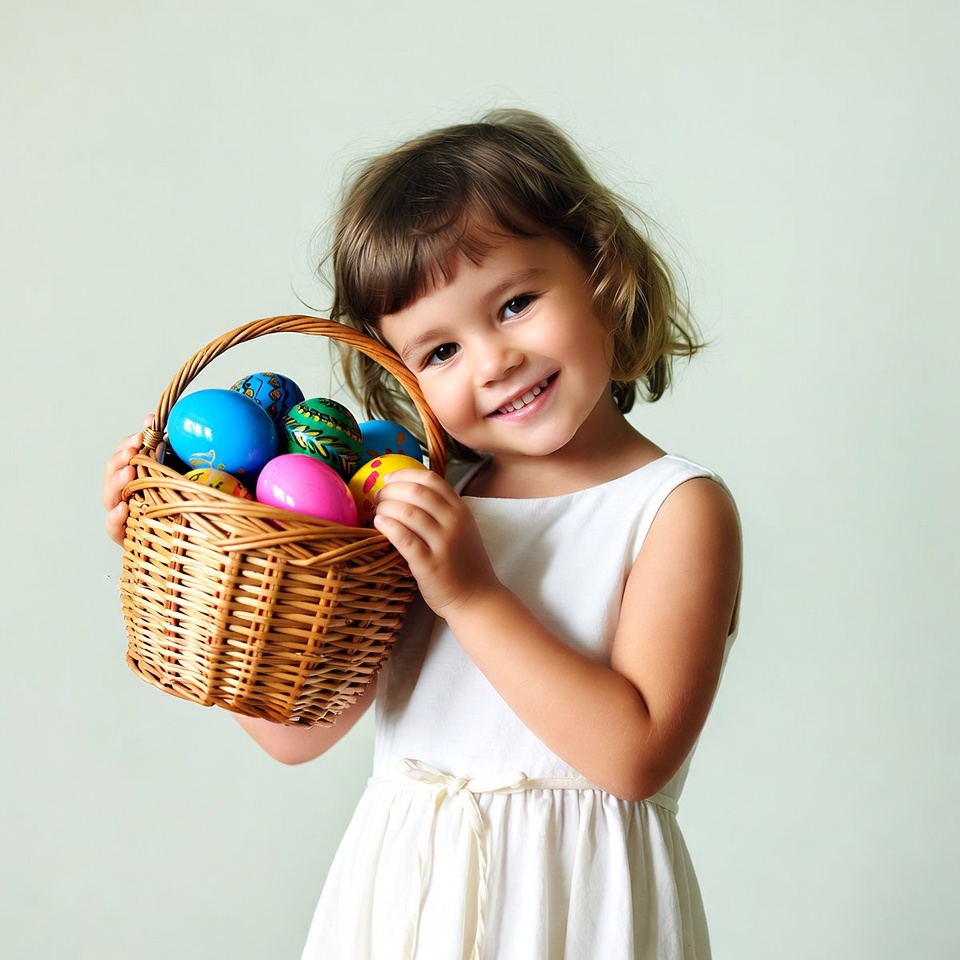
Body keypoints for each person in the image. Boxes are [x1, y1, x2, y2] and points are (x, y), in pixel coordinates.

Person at [103, 108, 742, 959]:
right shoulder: (421, 502)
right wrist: (193, 566)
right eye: (438, 352)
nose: (491, 360)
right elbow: (303, 734)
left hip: (578, 912)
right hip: (408, 905)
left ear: (599, 270)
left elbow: (635, 758)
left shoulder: (676, 508)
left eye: (515, 303)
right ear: (400, 376)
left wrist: (473, 596)